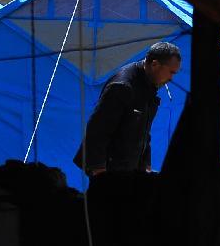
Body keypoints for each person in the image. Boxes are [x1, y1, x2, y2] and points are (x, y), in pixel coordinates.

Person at [74, 42, 181, 177]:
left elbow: (144, 131)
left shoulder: (149, 84)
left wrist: (146, 165)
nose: (171, 78)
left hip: (130, 171)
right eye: (171, 72)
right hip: (110, 170)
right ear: (154, 64)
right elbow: (97, 131)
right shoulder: (123, 86)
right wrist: (100, 172)